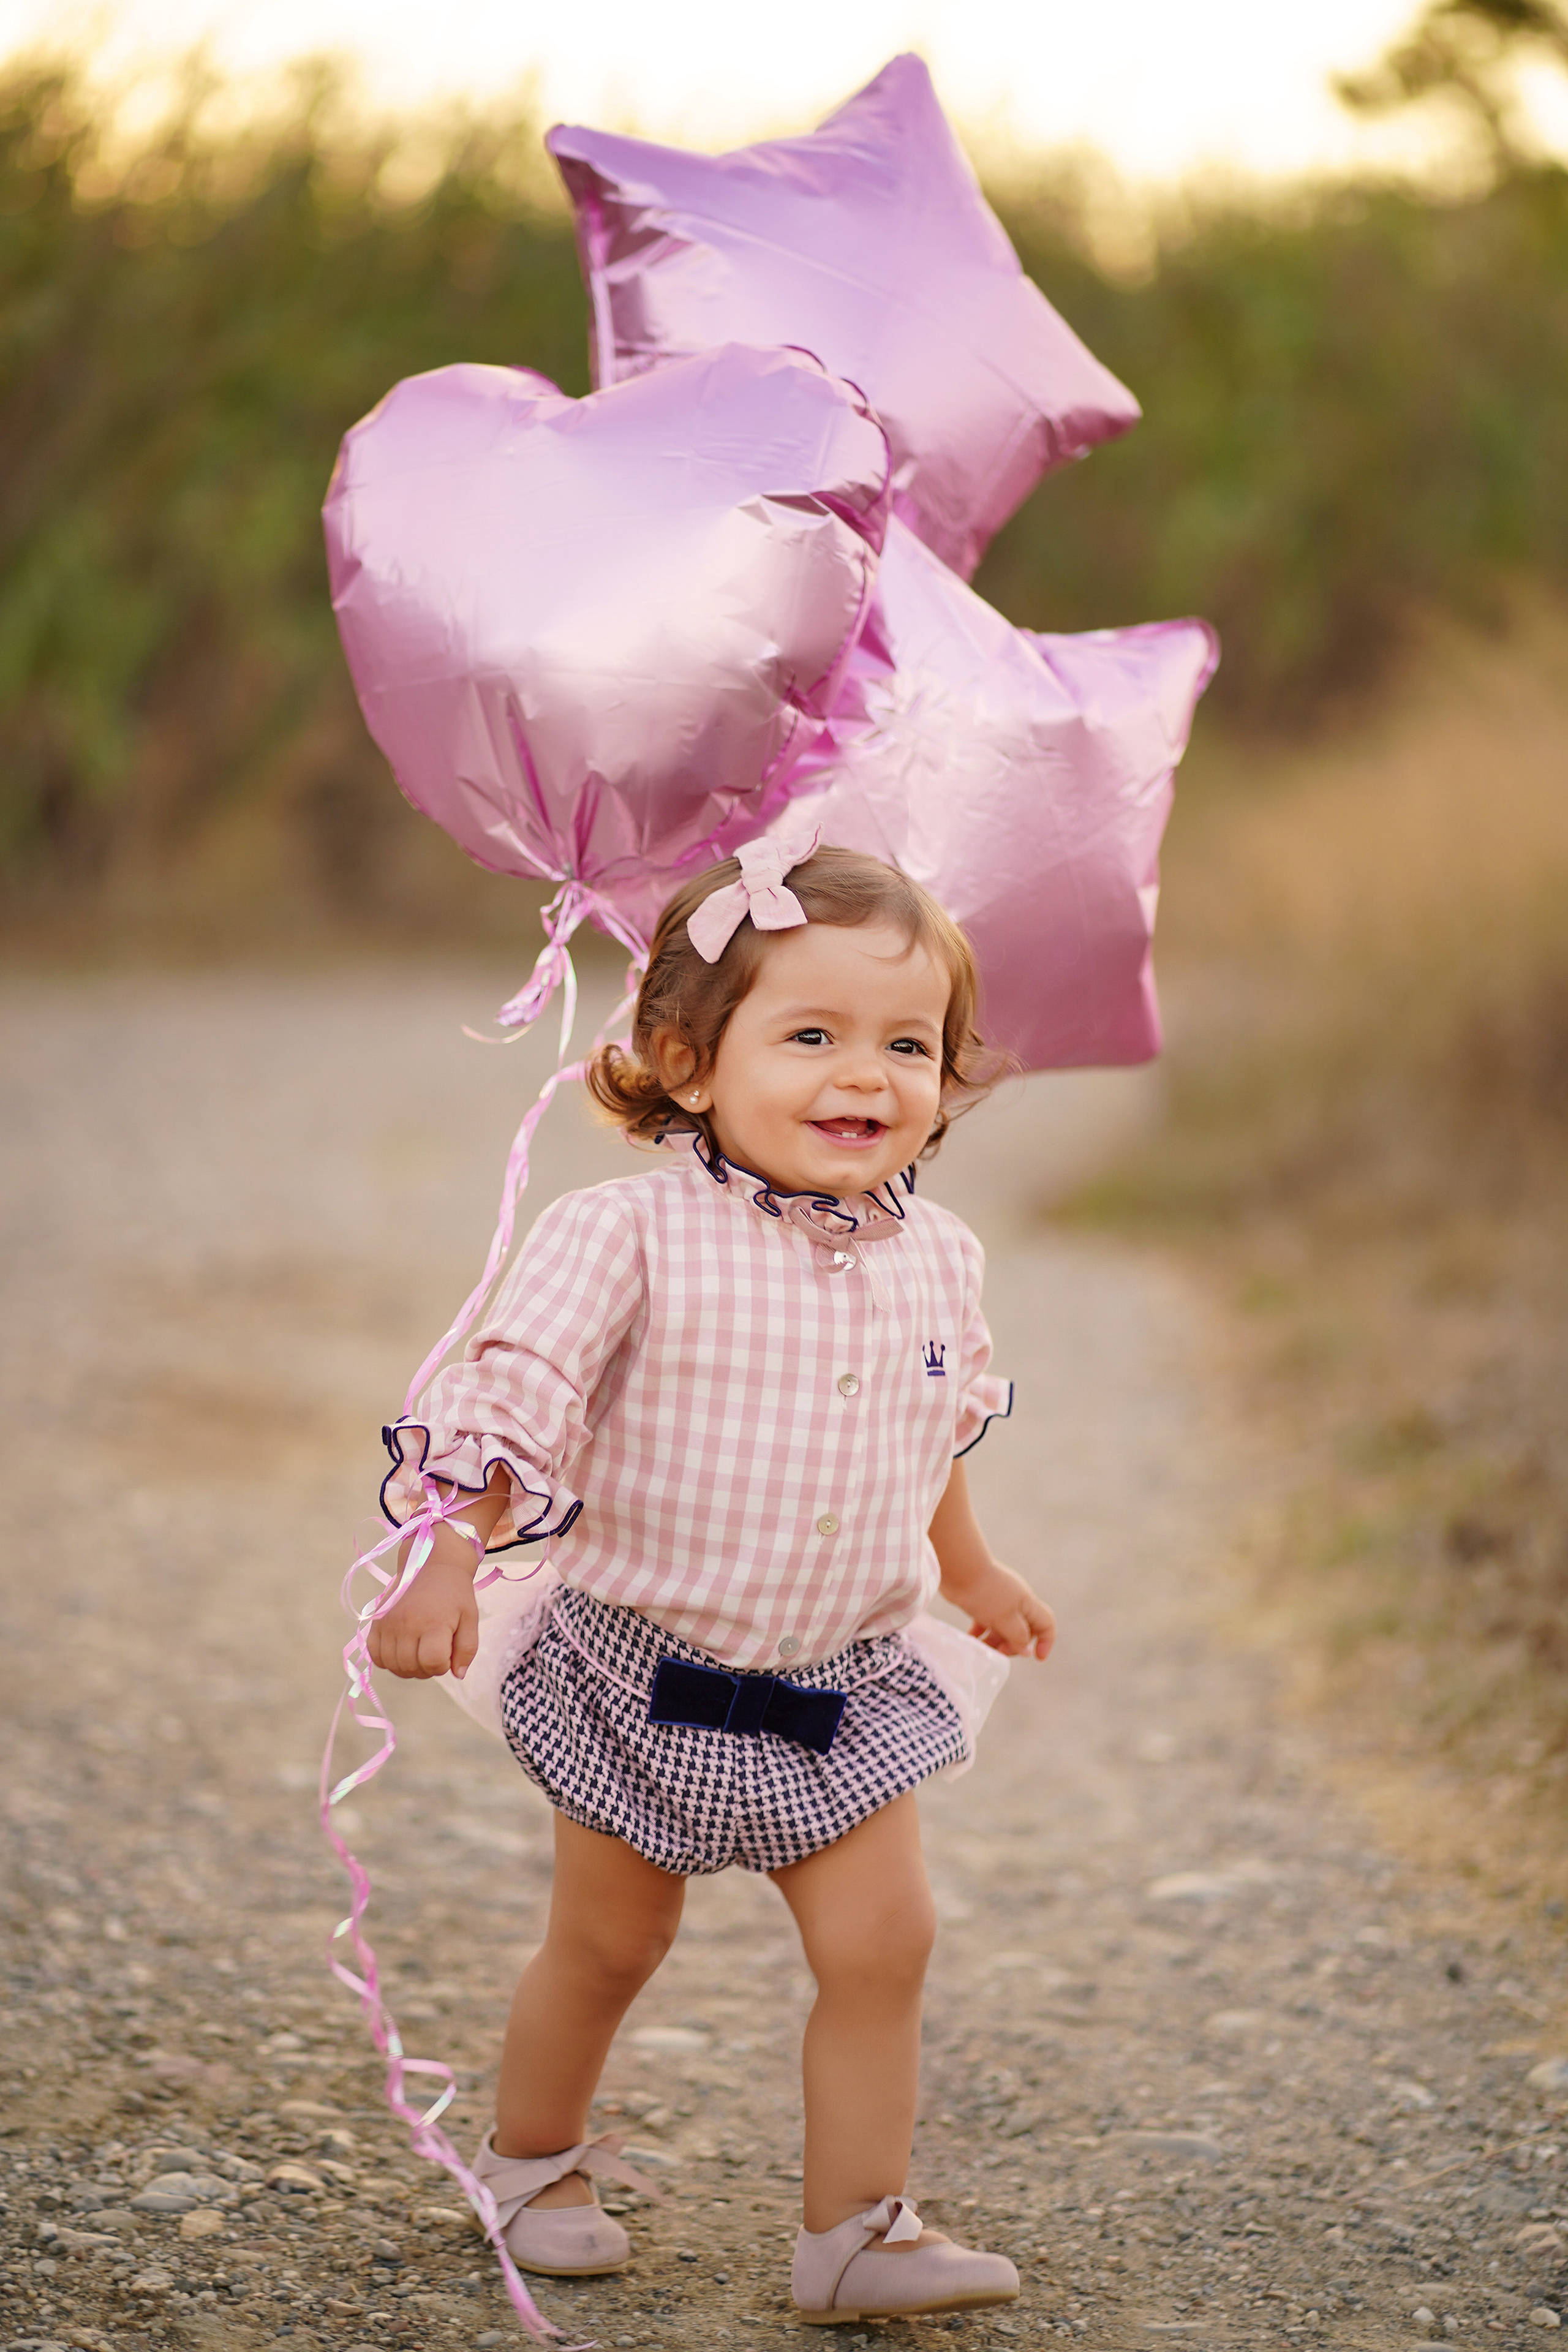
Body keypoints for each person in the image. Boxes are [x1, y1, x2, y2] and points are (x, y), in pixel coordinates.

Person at [368, 839, 1056, 2326]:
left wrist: (973, 1568)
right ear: (685, 1061)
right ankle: (532, 2164)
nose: (861, 1074)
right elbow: (516, 1401)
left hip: (846, 1685)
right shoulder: (620, 1234)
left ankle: (854, 2233)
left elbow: (926, 1429)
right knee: (612, 1940)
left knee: (887, 1941)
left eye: (905, 1044)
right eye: (807, 1035)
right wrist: (443, 1559)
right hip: (636, 1673)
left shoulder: (939, 1254)